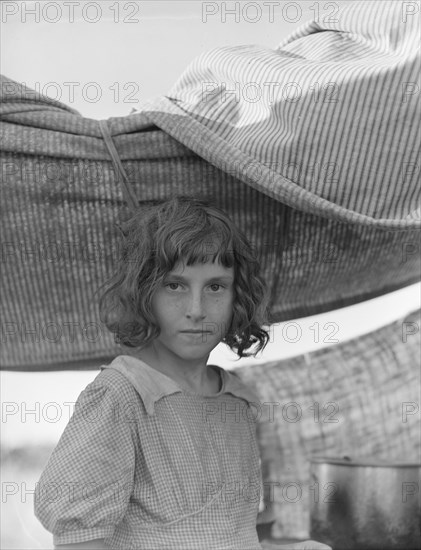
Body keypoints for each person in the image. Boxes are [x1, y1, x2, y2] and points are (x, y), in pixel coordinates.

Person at [34, 196, 331, 550]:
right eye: (175, 285)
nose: (196, 310)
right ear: (143, 293)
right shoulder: (121, 397)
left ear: (238, 296)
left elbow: (228, 537)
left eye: (215, 287)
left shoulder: (238, 402)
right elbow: (79, 540)